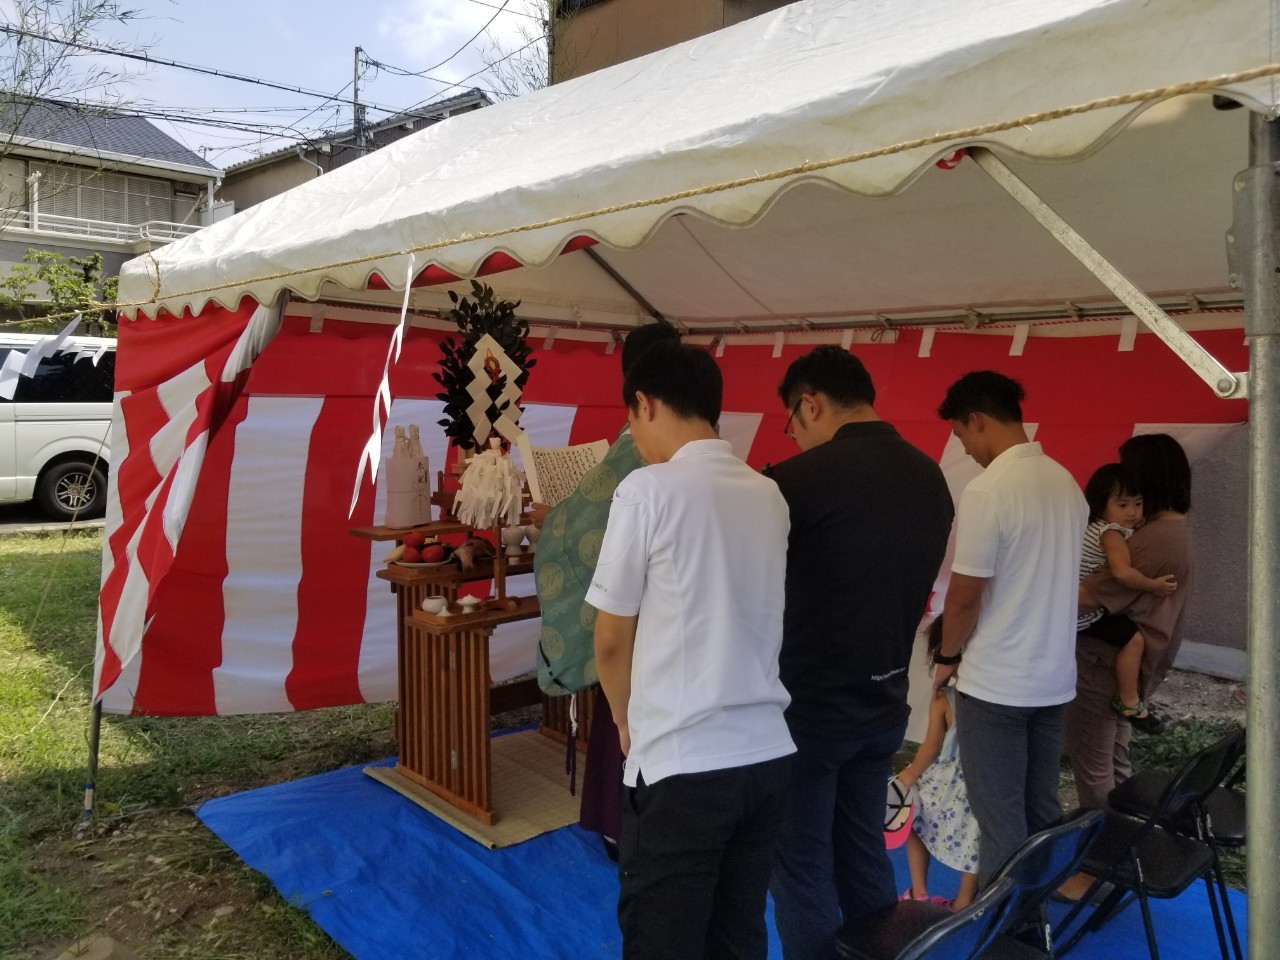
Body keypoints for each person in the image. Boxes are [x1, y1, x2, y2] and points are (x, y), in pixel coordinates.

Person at [586, 341, 795, 960]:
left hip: (684, 763)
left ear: (645, 404)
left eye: (631, 419)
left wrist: (624, 718)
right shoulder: (767, 493)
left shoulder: (646, 490)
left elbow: (610, 638)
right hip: (764, 755)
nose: (633, 435)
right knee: (737, 933)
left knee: (664, 940)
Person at [767, 346, 953, 957]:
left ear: (810, 404)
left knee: (802, 868)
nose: (795, 437)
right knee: (863, 852)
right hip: (885, 704)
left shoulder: (796, 481)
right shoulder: (930, 477)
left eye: (792, 423)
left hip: (809, 710)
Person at [531, 320, 681, 857]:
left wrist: (552, 519)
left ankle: (622, 827)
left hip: (638, 609)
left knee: (624, 714)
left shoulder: (637, 438)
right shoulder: (700, 437)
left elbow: (587, 524)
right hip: (683, 613)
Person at [932, 370, 1087, 885]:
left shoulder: (989, 489)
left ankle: (1007, 925)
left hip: (997, 682)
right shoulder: (1066, 482)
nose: (966, 449)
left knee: (999, 821)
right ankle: (1038, 912)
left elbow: (964, 595)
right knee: (1041, 809)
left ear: (976, 419)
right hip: (1053, 678)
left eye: (961, 435)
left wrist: (947, 657)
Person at [1065, 434, 1195, 810]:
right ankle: (1128, 832)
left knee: (1094, 767)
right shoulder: (1173, 529)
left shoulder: (1151, 538)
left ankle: (1101, 843)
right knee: (1115, 758)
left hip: (1102, 659)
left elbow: (1086, 596)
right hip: (1126, 661)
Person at [1076, 463, 1178, 733]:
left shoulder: (1093, 526)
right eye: (1122, 505)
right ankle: (1129, 700)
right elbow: (1121, 572)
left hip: (1069, 608)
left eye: (1138, 503)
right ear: (1101, 506)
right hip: (1082, 616)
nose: (1132, 512)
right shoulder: (1111, 533)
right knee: (1134, 640)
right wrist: (1152, 585)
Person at [898, 617, 981, 911]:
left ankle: (919, 892)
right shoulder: (994, 701)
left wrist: (908, 775)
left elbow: (931, 748)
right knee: (975, 842)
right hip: (979, 786)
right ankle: (964, 902)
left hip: (943, 786)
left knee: (912, 820)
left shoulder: (945, 699)